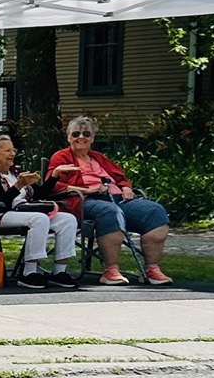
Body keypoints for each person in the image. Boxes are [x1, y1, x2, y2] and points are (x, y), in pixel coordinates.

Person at [46, 116, 173, 286]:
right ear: (68, 137)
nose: (81, 137)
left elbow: (120, 177)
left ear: (93, 138)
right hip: (85, 201)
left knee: (155, 211)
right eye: (75, 134)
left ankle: (151, 269)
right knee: (109, 212)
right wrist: (88, 190)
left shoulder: (98, 157)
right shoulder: (61, 157)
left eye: (86, 134)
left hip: (117, 198)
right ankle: (110, 270)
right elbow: (52, 185)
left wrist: (126, 187)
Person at [0, 135, 80, 289]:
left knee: (68, 219)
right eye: (7, 150)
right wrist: (18, 185)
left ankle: (59, 272)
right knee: (39, 219)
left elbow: (38, 195)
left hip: (25, 210)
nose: (12, 154)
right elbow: (0, 203)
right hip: (1, 214)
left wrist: (54, 175)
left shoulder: (15, 172)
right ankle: (29, 272)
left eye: (13, 150)